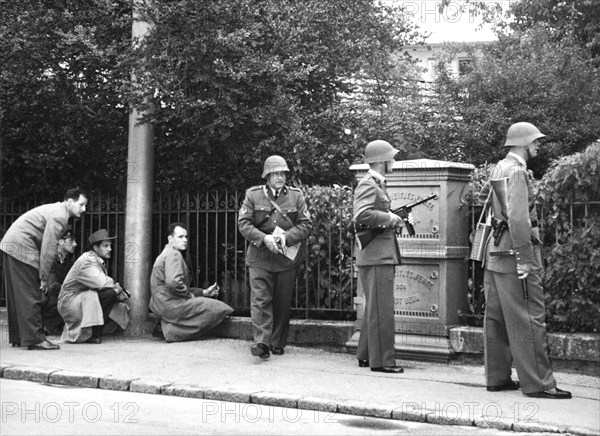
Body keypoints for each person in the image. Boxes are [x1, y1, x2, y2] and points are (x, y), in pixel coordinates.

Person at [480, 122, 571, 399]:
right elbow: (519, 218)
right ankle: (540, 384)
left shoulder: (498, 167)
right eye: (536, 142)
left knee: (495, 319)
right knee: (529, 318)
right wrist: (525, 259)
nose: (538, 146)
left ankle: (497, 378)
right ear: (524, 143)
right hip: (514, 254)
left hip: (494, 252)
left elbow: (483, 197)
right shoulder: (518, 171)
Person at [238, 155, 312, 359]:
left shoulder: (296, 196)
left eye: (283, 173)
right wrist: (264, 238)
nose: (280, 177)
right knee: (260, 300)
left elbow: (306, 225)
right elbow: (244, 224)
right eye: (276, 173)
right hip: (260, 256)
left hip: (285, 258)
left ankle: (278, 342)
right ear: (267, 176)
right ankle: (261, 343)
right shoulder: (253, 195)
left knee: (282, 301)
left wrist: (285, 238)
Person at [0, 187, 88, 350]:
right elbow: (48, 248)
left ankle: (19, 336)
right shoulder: (60, 216)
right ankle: (35, 339)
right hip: (21, 245)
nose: (84, 209)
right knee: (30, 293)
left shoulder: (55, 209)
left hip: (11, 244)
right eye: (81, 204)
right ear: (69, 201)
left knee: (18, 294)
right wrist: (43, 277)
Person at [353, 140, 408, 374]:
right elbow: (361, 214)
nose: (393, 161)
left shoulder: (377, 184)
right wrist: (389, 218)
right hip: (376, 256)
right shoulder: (369, 184)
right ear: (381, 161)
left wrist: (390, 216)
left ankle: (366, 354)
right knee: (381, 310)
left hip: (378, 254)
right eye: (391, 158)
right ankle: (382, 361)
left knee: (374, 308)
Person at [149, 222, 234, 342]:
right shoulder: (174, 254)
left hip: (160, 304)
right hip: (170, 303)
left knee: (203, 302)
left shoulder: (165, 253)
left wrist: (204, 292)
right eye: (180, 237)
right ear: (170, 239)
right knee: (219, 307)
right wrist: (190, 296)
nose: (185, 240)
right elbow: (174, 283)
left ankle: (168, 326)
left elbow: (174, 285)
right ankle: (170, 331)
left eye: (186, 237)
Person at [58, 229, 129, 344]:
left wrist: (116, 289)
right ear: (95, 248)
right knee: (110, 294)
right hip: (69, 302)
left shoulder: (94, 259)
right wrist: (117, 288)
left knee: (112, 296)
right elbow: (102, 282)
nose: (110, 249)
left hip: (78, 299)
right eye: (106, 246)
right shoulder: (88, 260)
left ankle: (92, 332)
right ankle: (91, 334)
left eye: (110, 246)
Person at [41, 229, 78, 335]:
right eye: (72, 241)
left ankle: (52, 325)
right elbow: (51, 286)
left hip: (57, 293)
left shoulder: (67, 261)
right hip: (48, 295)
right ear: (60, 241)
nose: (75, 244)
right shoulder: (50, 258)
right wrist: (70, 290)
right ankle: (45, 324)